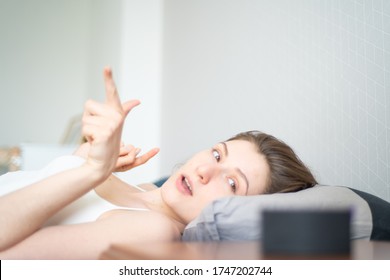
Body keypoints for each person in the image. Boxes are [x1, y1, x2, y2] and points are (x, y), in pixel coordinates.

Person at [0, 67, 317, 259]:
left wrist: (91, 171)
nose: (205, 170)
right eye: (218, 154)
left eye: (233, 183)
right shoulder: (143, 188)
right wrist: (88, 154)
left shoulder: (154, 231)